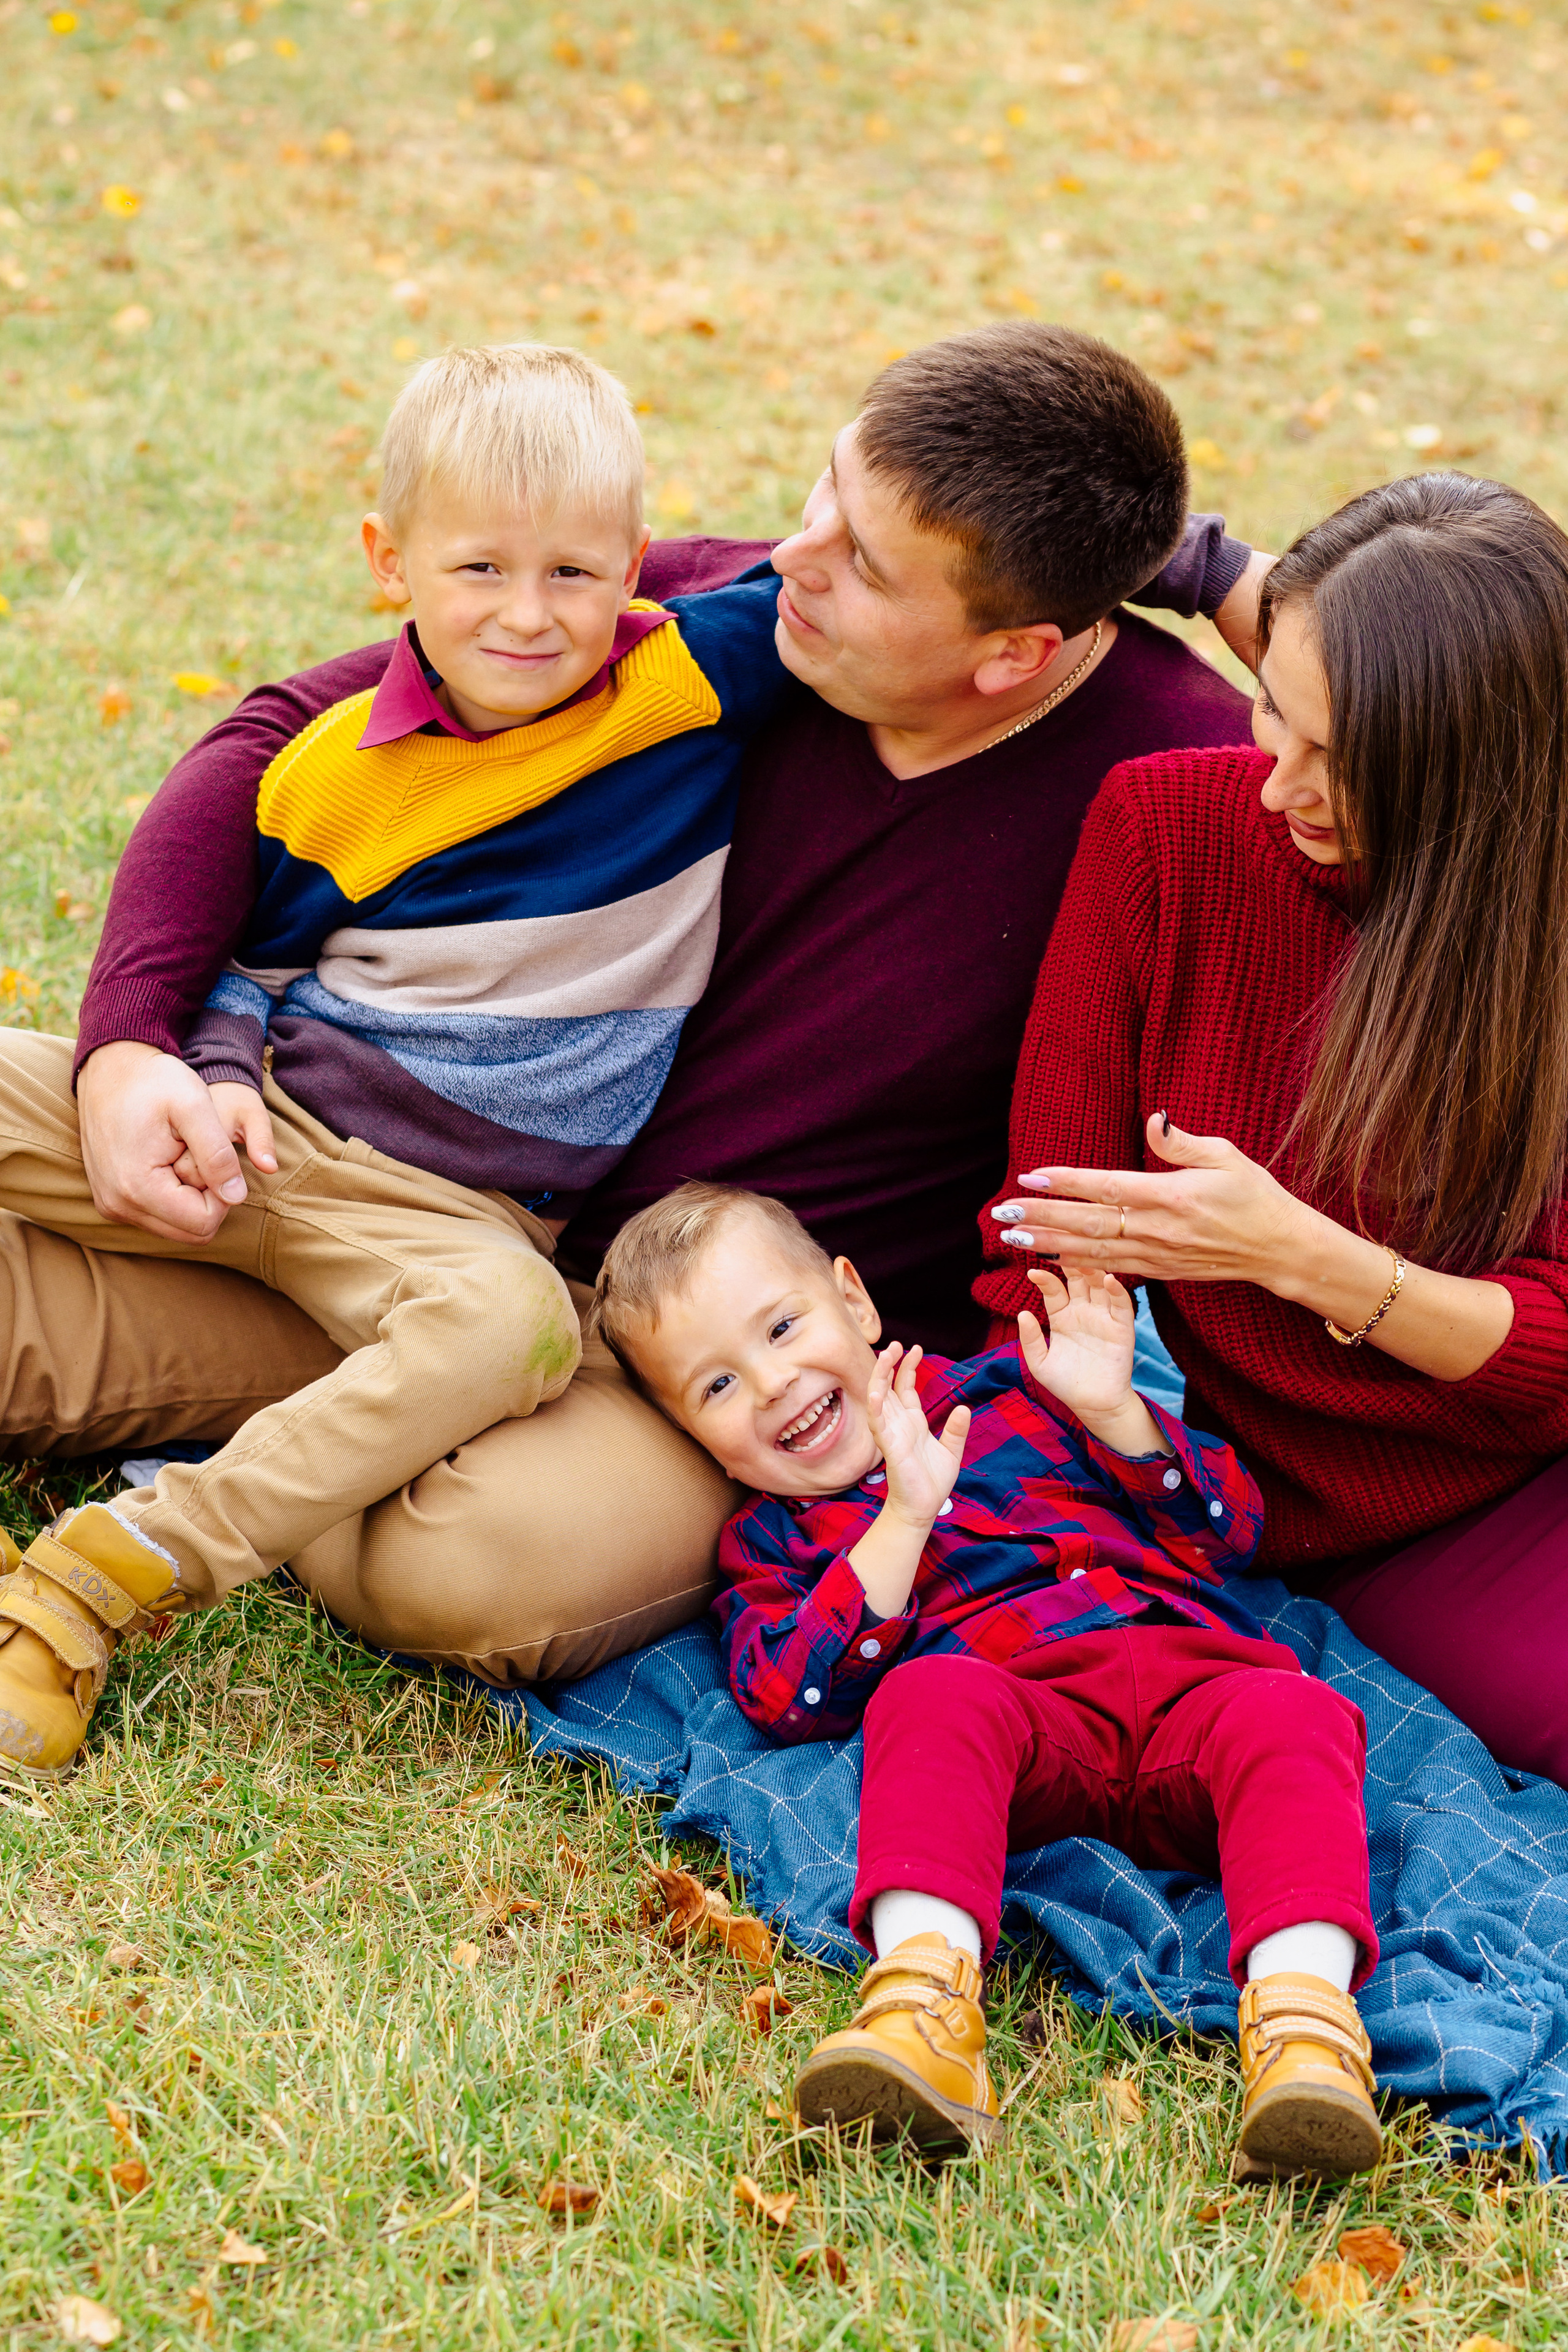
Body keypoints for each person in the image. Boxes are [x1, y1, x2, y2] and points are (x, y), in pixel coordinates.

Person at [6, 324, 1264, 1702]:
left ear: (1014, 652)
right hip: (397, 1203)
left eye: (862, 560)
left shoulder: (1177, 786)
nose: (797, 557)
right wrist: (131, 1041)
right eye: (821, 497)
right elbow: (276, 742)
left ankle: (357, 1409)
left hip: (714, 1359)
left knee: (468, 1564)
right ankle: (383, 1395)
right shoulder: (723, 616)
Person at [0, 341, 787, 1777]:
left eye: (574, 572)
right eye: (479, 569)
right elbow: (257, 961)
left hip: (442, 1220)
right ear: (389, 560)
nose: (532, 617)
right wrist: (209, 1078)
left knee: (516, 1325)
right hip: (261, 1137)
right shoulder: (333, 765)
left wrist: (1199, 566)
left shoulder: (696, 678)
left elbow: (919, 535)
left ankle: (110, 1573)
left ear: (638, 557)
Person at [587, 1180, 1382, 2174]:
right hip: (1027, 1733)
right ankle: (922, 2010)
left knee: (1298, 1712)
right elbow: (789, 1697)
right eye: (715, 1386)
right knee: (928, 1698)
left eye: (783, 1327)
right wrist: (903, 1519)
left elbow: (1233, 1532)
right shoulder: (774, 1538)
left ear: (855, 1301)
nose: (773, 1383)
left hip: (1195, 1695)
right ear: (687, 1435)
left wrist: (1116, 1409)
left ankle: (1306, 2032)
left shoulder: (1022, 1391)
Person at [976, 472, 1568, 1784]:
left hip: (1515, 1453)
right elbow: (1044, 1224)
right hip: (1346, 1514)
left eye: (1342, 762)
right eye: (1270, 715)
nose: (1275, 784)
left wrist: (1289, 1253)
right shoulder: (1162, 830)